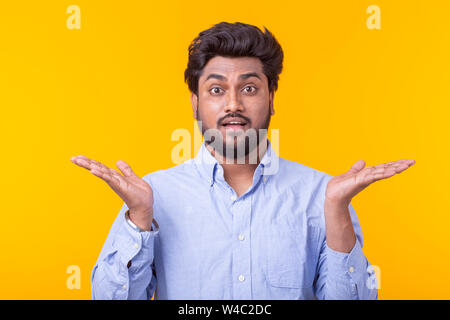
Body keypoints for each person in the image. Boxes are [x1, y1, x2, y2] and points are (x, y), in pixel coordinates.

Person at [71, 21, 415, 300]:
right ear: (195, 103)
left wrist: (337, 210)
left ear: (271, 98)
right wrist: (139, 220)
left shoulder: (322, 195)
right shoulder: (151, 195)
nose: (233, 104)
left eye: (249, 88)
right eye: (216, 90)